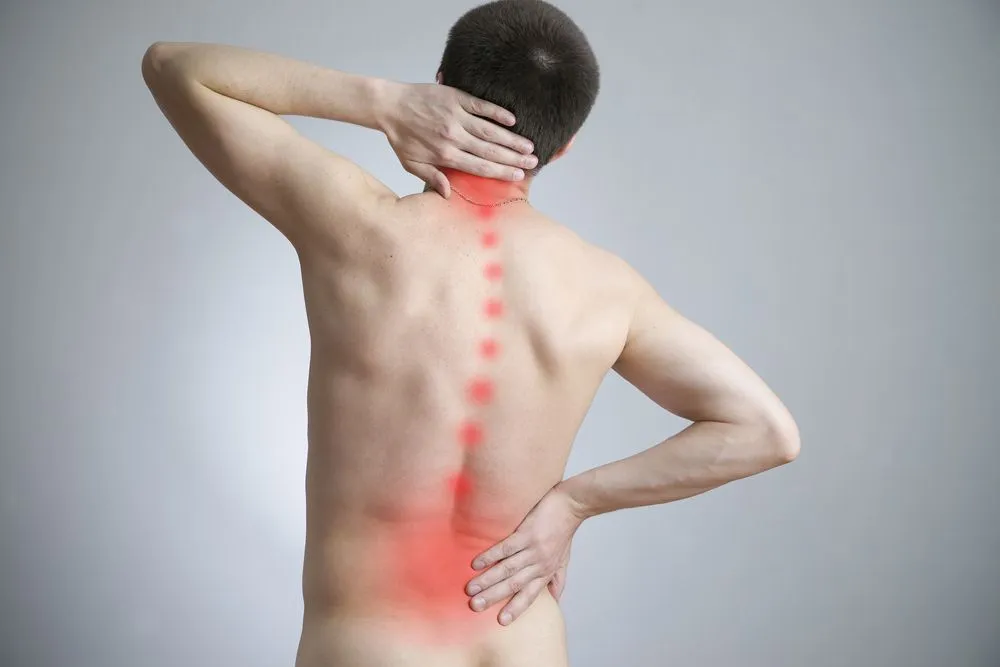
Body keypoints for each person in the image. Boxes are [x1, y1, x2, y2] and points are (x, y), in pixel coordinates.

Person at [141, 1, 800, 665]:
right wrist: (575, 503)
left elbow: (174, 67)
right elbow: (766, 430)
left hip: (375, 646)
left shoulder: (355, 227)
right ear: (565, 143)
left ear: (439, 86)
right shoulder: (608, 289)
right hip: (523, 642)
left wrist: (381, 102)